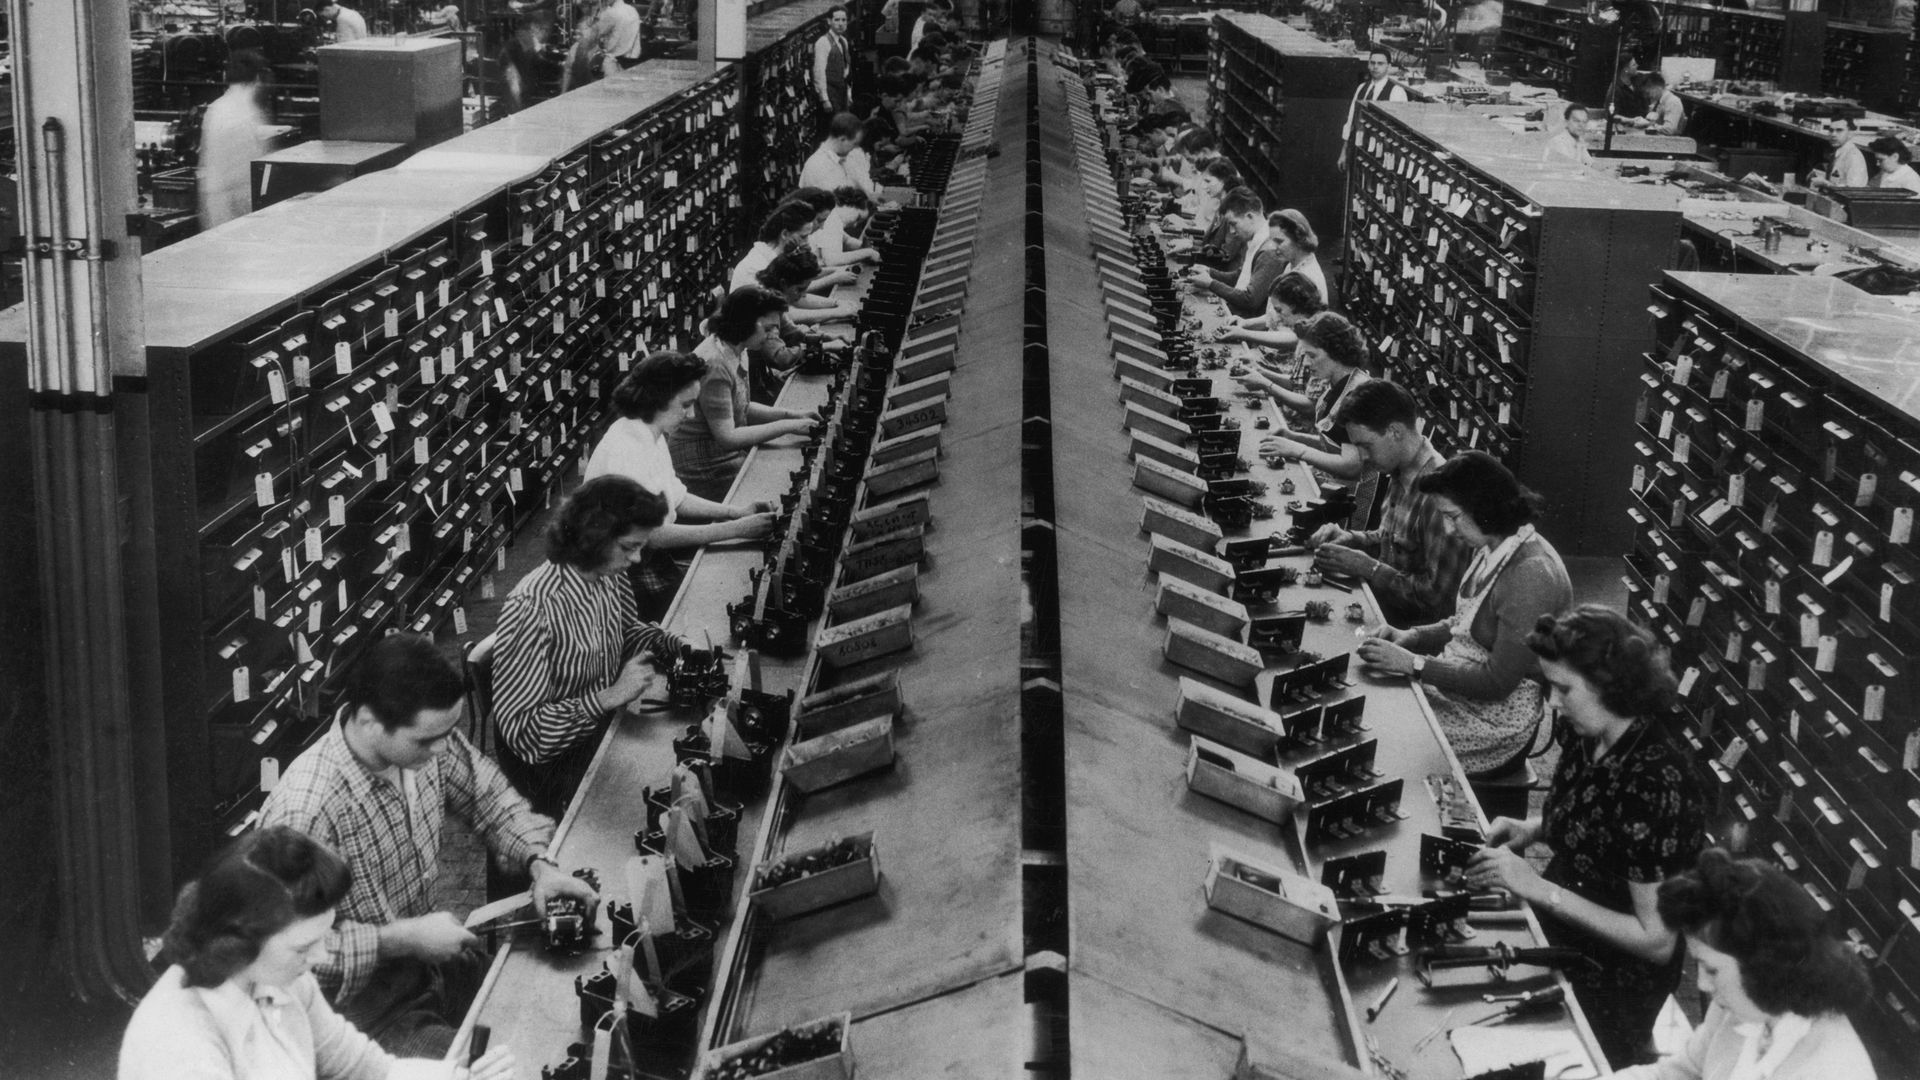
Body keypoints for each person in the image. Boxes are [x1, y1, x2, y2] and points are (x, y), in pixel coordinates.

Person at [260, 633, 597, 1055]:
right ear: (368, 721)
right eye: (425, 740)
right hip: (363, 1016)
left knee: (551, 1019)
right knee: (508, 1064)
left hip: (430, 964)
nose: (442, 749)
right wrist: (399, 939)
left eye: (448, 733)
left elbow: (485, 795)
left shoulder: (425, 742)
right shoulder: (306, 812)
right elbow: (277, 956)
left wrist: (540, 866)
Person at [1465, 606, 1707, 1069]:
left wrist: (1537, 888)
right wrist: (1532, 828)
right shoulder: (1587, 732)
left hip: (1615, 974)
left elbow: (1656, 941)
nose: (1553, 702)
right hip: (1563, 925)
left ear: (1609, 686)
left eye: (1564, 689)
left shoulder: (1656, 781)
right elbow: (1594, 820)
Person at [119, 827, 519, 1080]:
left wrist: (454, 1075)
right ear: (238, 940)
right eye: (304, 946)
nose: (323, 957)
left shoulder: (282, 980)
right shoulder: (178, 1045)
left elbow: (367, 1069)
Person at [1354, 452, 1572, 785]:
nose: (1447, 528)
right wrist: (1411, 636)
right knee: (1373, 708)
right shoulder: (1493, 544)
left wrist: (1414, 664)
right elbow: (1463, 622)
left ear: (1485, 508)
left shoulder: (1530, 575)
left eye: (1453, 517)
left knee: (1388, 742)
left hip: (1496, 722)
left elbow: (1498, 683)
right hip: (1461, 691)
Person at [494, 476, 690, 813]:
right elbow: (525, 732)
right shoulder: (533, 608)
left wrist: (673, 644)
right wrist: (608, 697)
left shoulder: (607, 575)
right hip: (550, 766)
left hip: (598, 728)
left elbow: (625, 633)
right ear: (594, 538)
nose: (638, 560)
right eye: (630, 547)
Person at [1608, 849, 1876, 1080]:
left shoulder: (1836, 1070)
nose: (1701, 983)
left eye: (1711, 969)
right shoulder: (1738, 1007)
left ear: (1763, 965)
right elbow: (1678, 1074)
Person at [585, 355, 780, 612]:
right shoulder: (626, 450)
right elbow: (653, 535)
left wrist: (735, 512)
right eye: (686, 405)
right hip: (621, 572)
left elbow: (677, 495)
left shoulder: (649, 433)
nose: (691, 415)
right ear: (657, 398)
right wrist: (736, 529)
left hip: (645, 556)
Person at [1303, 380, 1473, 626]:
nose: (1362, 456)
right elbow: (1391, 540)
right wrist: (1351, 539)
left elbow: (1439, 602)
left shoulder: (1440, 498)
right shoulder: (1398, 469)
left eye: (1365, 445)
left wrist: (1369, 568)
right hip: (1381, 612)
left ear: (1395, 432)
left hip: (1409, 635)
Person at [669, 287, 820, 500]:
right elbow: (728, 437)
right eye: (767, 329)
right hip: (700, 462)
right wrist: (789, 427)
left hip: (719, 450)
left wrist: (793, 415)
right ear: (745, 322)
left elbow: (743, 407)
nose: (773, 336)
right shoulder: (715, 364)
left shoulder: (736, 349)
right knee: (780, 483)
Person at [198, 49, 272, 230]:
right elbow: (252, 169)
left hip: (215, 198)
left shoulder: (215, 109)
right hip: (237, 199)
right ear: (257, 79)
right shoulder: (248, 113)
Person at [1185, 187, 1284, 320]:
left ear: (1250, 217)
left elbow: (1250, 300)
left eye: (1233, 224)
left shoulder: (1269, 251)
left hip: (1246, 324)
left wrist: (1211, 284)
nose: (1231, 231)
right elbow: (1240, 276)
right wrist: (1209, 272)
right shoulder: (1257, 240)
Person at [1220, 267, 1322, 352]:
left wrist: (1243, 333)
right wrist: (1245, 323)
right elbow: (1271, 317)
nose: (1277, 316)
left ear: (1295, 305)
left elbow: (1292, 338)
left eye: (1279, 310)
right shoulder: (1299, 317)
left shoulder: (1311, 329)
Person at [1339, 49, 1409, 170]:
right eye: (1372, 63)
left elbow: (1400, 133)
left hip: (1382, 155)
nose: (1375, 67)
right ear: (1368, 64)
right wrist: (1344, 152)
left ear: (1389, 66)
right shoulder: (1361, 88)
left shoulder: (1396, 92)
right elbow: (1350, 122)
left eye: (1380, 63)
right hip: (1359, 149)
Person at [730, 201, 817, 291]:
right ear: (785, 234)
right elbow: (794, 299)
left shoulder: (775, 257)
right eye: (803, 237)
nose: (807, 243)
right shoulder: (758, 266)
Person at [800, 113, 878, 198]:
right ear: (842, 139)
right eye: (854, 144)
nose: (855, 148)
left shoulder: (839, 159)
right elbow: (836, 204)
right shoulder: (819, 165)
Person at [810, 186, 881, 268]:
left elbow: (846, 241)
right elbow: (832, 260)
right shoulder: (832, 220)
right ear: (849, 204)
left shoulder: (834, 216)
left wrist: (864, 246)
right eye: (858, 218)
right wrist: (868, 253)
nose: (855, 225)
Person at [1268, 208, 1326, 304]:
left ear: (1298, 238)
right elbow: (1277, 315)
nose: (1273, 247)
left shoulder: (1307, 279)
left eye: (1279, 241)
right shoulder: (1293, 264)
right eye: (1272, 241)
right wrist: (1247, 320)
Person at [586, 0, 644, 76]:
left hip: (614, 62)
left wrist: (595, 15)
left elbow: (595, 33)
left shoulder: (610, 12)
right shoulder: (632, 10)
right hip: (632, 60)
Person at [813, 5, 853, 115]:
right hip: (830, 93)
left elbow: (846, 71)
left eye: (844, 20)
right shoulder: (823, 42)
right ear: (829, 21)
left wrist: (848, 94)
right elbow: (819, 72)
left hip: (842, 92)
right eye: (837, 20)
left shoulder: (843, 41)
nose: (840, 24)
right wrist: (824, 99)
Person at [1808, 122, 1869, 190]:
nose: (1833, 134)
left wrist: (1825, 184)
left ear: (1850, 133)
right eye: (1831, 130)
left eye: (1839, 130)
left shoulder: (1854, 156)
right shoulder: (1840, 151)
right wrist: (1820, 173)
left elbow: (1854, 190)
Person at [1542, 103, 1593, 167]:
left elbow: (1589, 163)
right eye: (1576, 121)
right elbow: (1572, 169)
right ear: (1566, 122)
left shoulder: (1578, 140)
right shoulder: (1558, 142)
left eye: (1584, 122)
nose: (1581, 125)